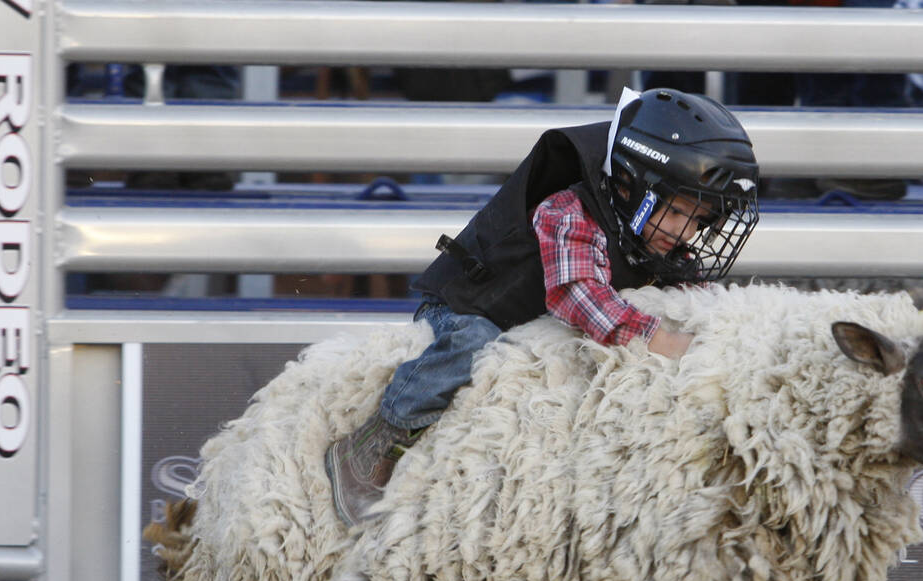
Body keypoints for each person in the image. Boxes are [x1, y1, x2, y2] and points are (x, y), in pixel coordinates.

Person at [325, 87, 761, 526]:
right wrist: (655, 337)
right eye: (678, 211)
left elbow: (691, 299)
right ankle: (377, 440)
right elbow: (576, 292)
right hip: (474, 307)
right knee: (472, 347)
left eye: (700, 220)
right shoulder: (569, 211)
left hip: (531, 325)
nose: (685, 232)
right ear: (634, 185)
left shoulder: (654, 241)